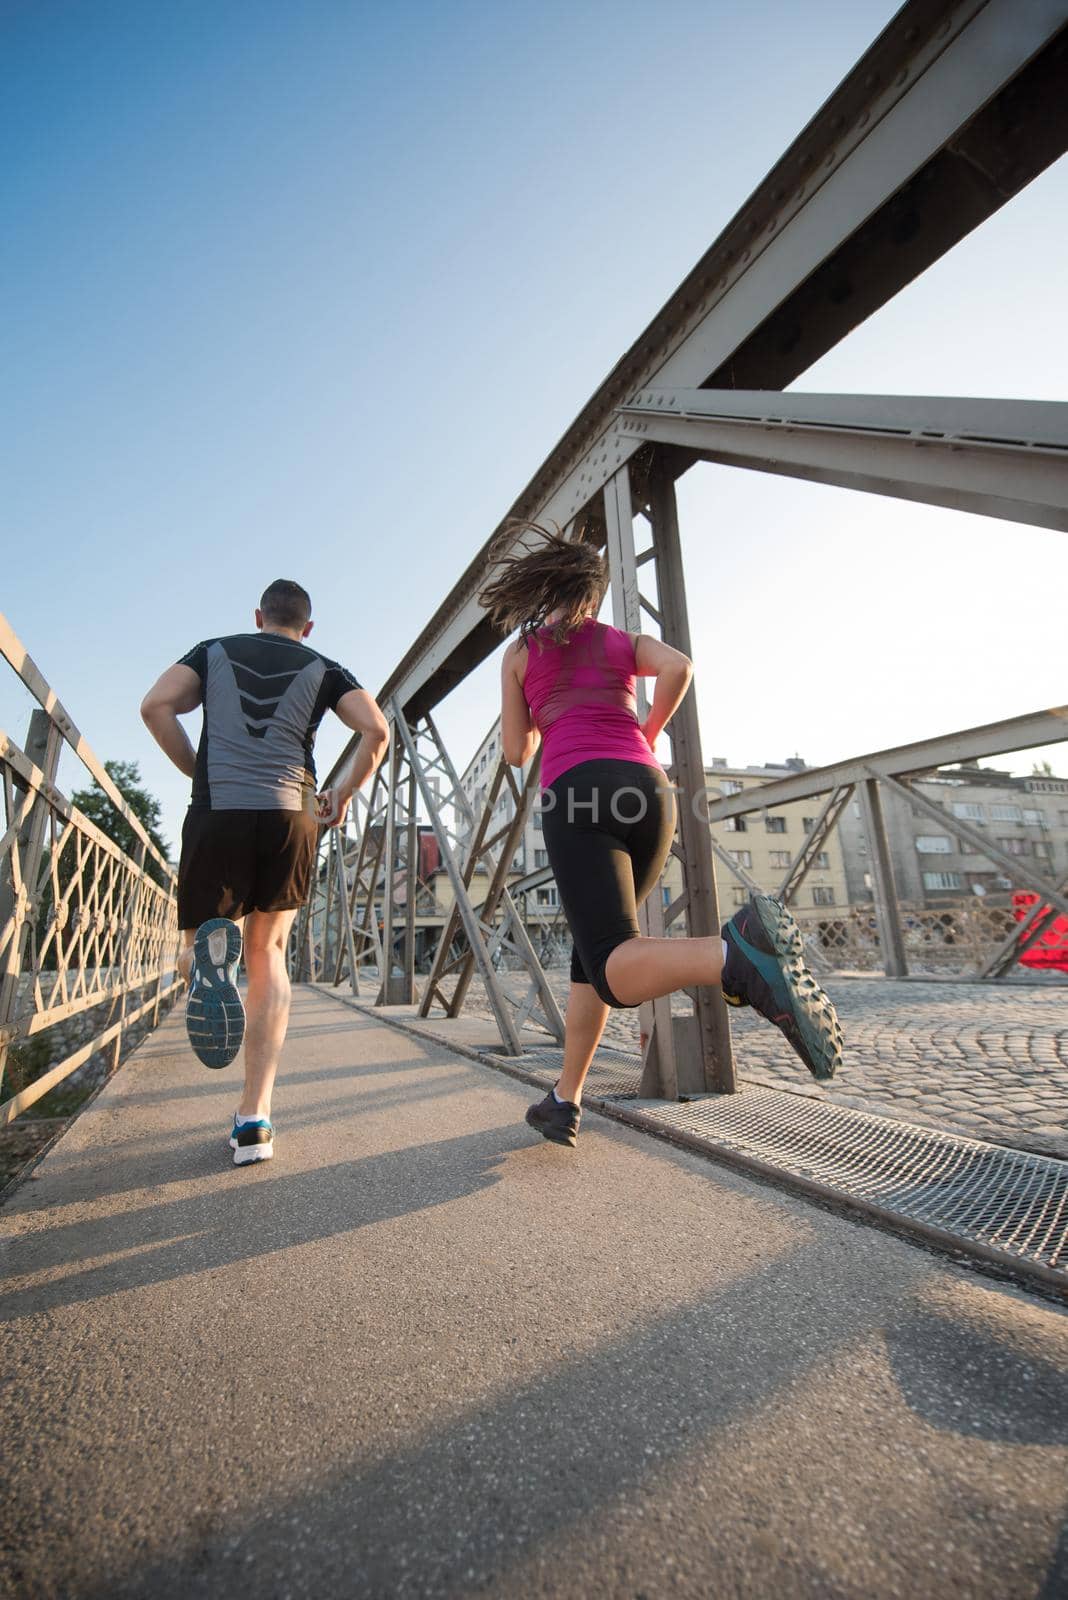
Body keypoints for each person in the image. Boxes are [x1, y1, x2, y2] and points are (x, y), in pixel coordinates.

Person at [480, 526, 843, 1148]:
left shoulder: (522, 653)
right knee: (594, 960)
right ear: (593, 597)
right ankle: (564, 1098)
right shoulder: (623, 641)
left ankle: (735, 955)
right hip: (649, 792)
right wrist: (646, 731)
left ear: (546, 590)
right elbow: (680, 666)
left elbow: (515, 752)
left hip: (578, 792)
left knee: (616, 968)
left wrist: (544, 714)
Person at [141, 578, 389, 1165]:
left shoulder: (212, 649)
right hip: (291, 813)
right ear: (307, 628)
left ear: (258, 617)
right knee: (268, 954)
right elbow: (375, 731)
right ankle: (254, 1121)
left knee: (203, 936)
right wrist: (342, 794)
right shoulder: (325, 665)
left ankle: (199, 964)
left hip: (219, 807)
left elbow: (154, 706)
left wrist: (198, 771)